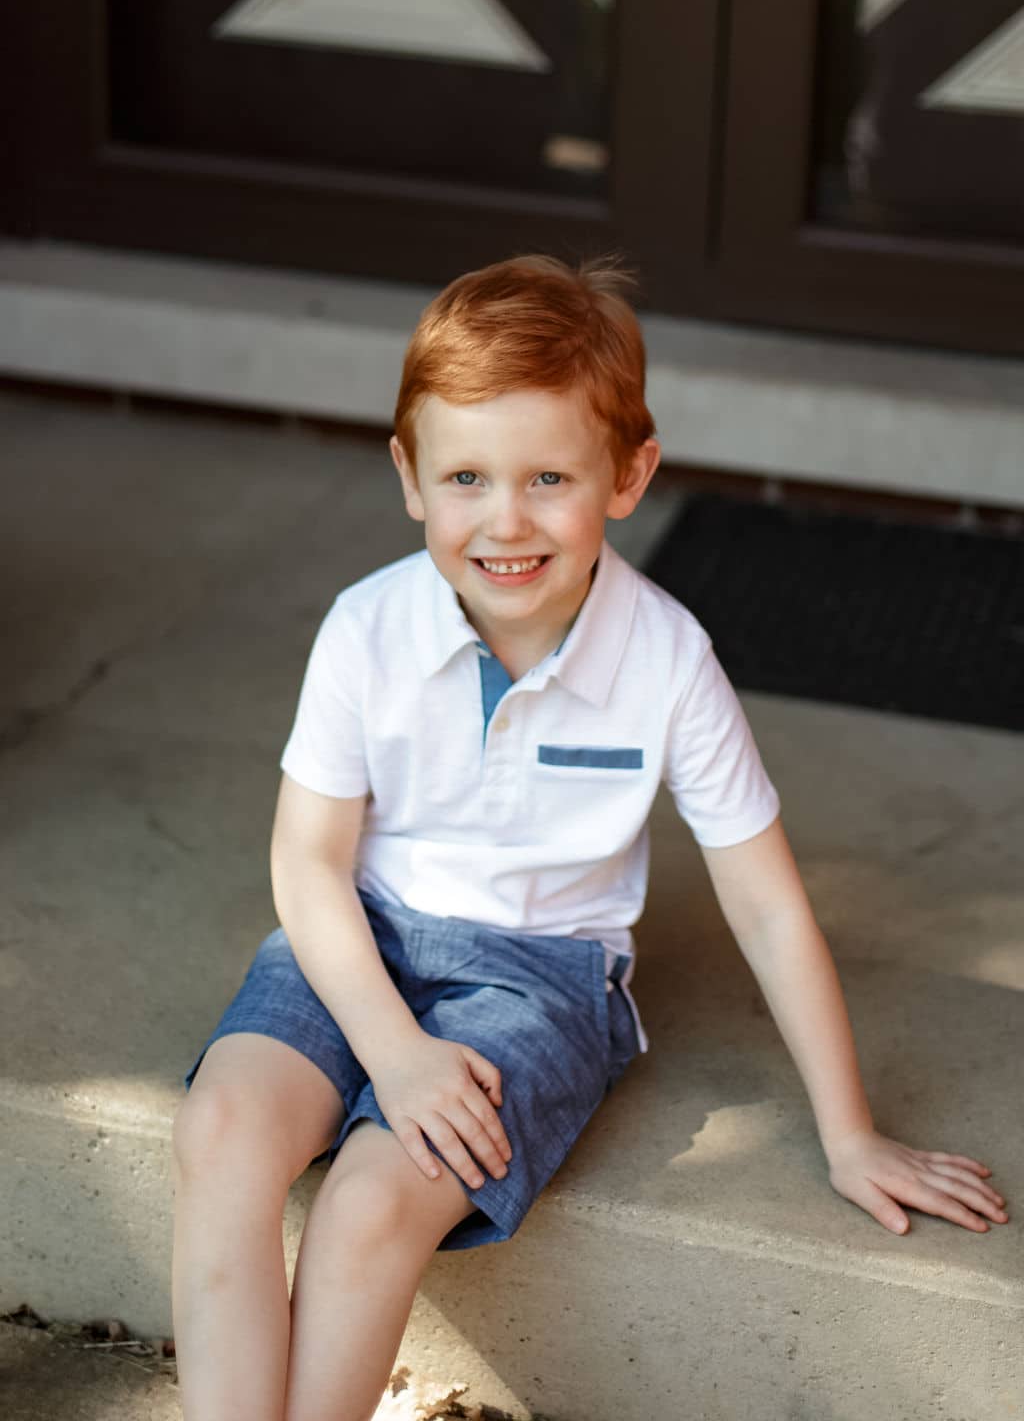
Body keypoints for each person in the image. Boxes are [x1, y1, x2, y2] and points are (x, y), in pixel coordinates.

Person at [171, 256, 1007, 1421]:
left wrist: (849, 1131)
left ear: (628, 475)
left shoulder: (666, 660)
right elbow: (308, 864)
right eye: (465, 475)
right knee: (219, 1128)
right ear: (409, 475)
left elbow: (765, 904)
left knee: (373, 1197)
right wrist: (394, 1049)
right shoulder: (364, 630)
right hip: (357, 938)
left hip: (542, 975)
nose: (504, 521)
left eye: (548, 477)